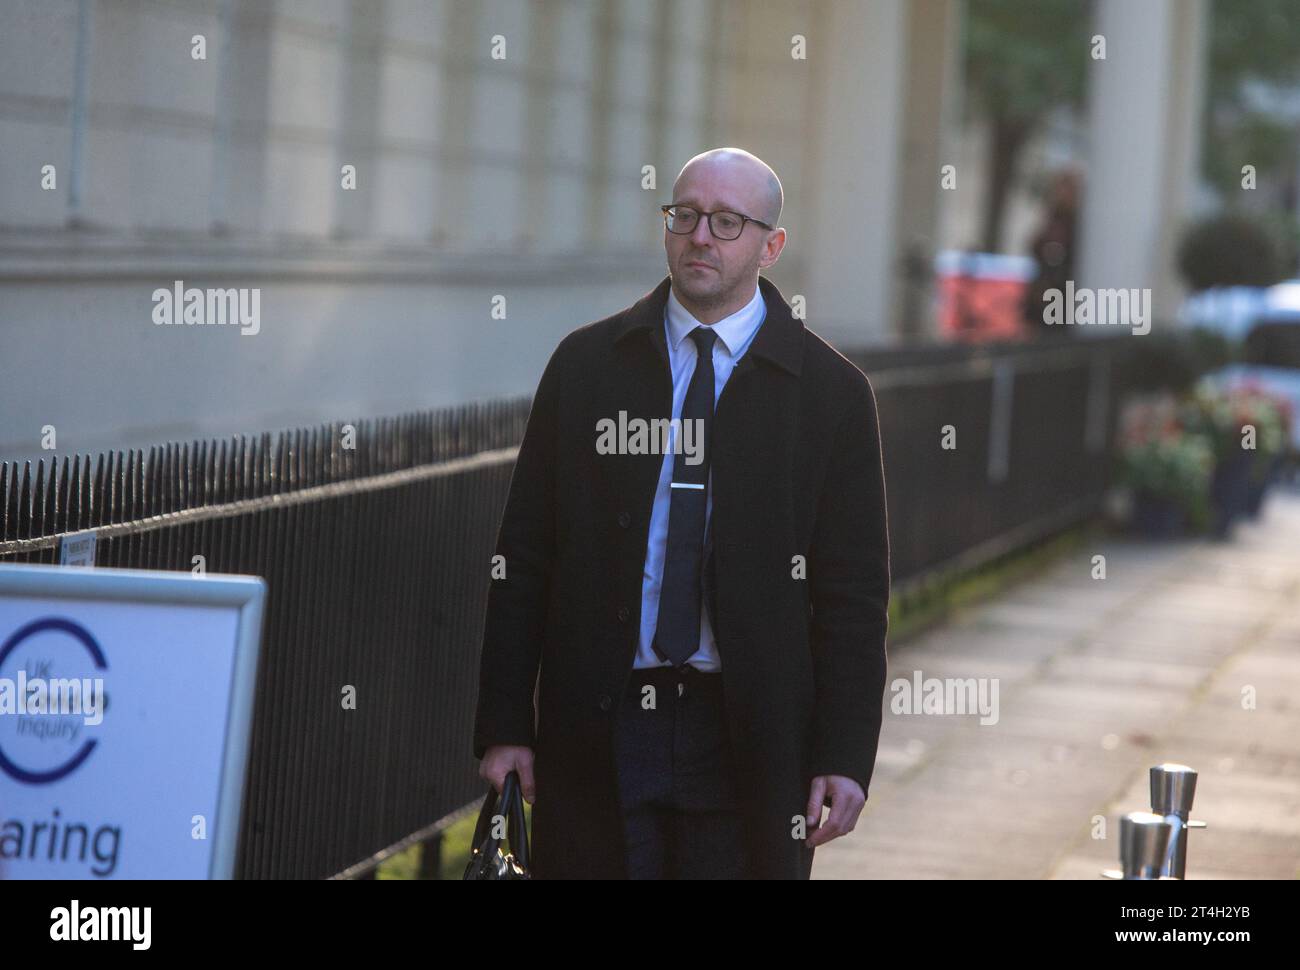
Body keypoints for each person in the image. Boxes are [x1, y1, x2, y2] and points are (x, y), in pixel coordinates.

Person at [473, 147, 891, 879]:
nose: (701, 236)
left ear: (771, 246)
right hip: (600, 725)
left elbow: (853, 599)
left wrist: (844, 755)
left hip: (749, 737)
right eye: (686, 215)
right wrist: (506, 725)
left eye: (728, 222)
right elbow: (524, 557)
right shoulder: (587, 366)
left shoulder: (831, 395)